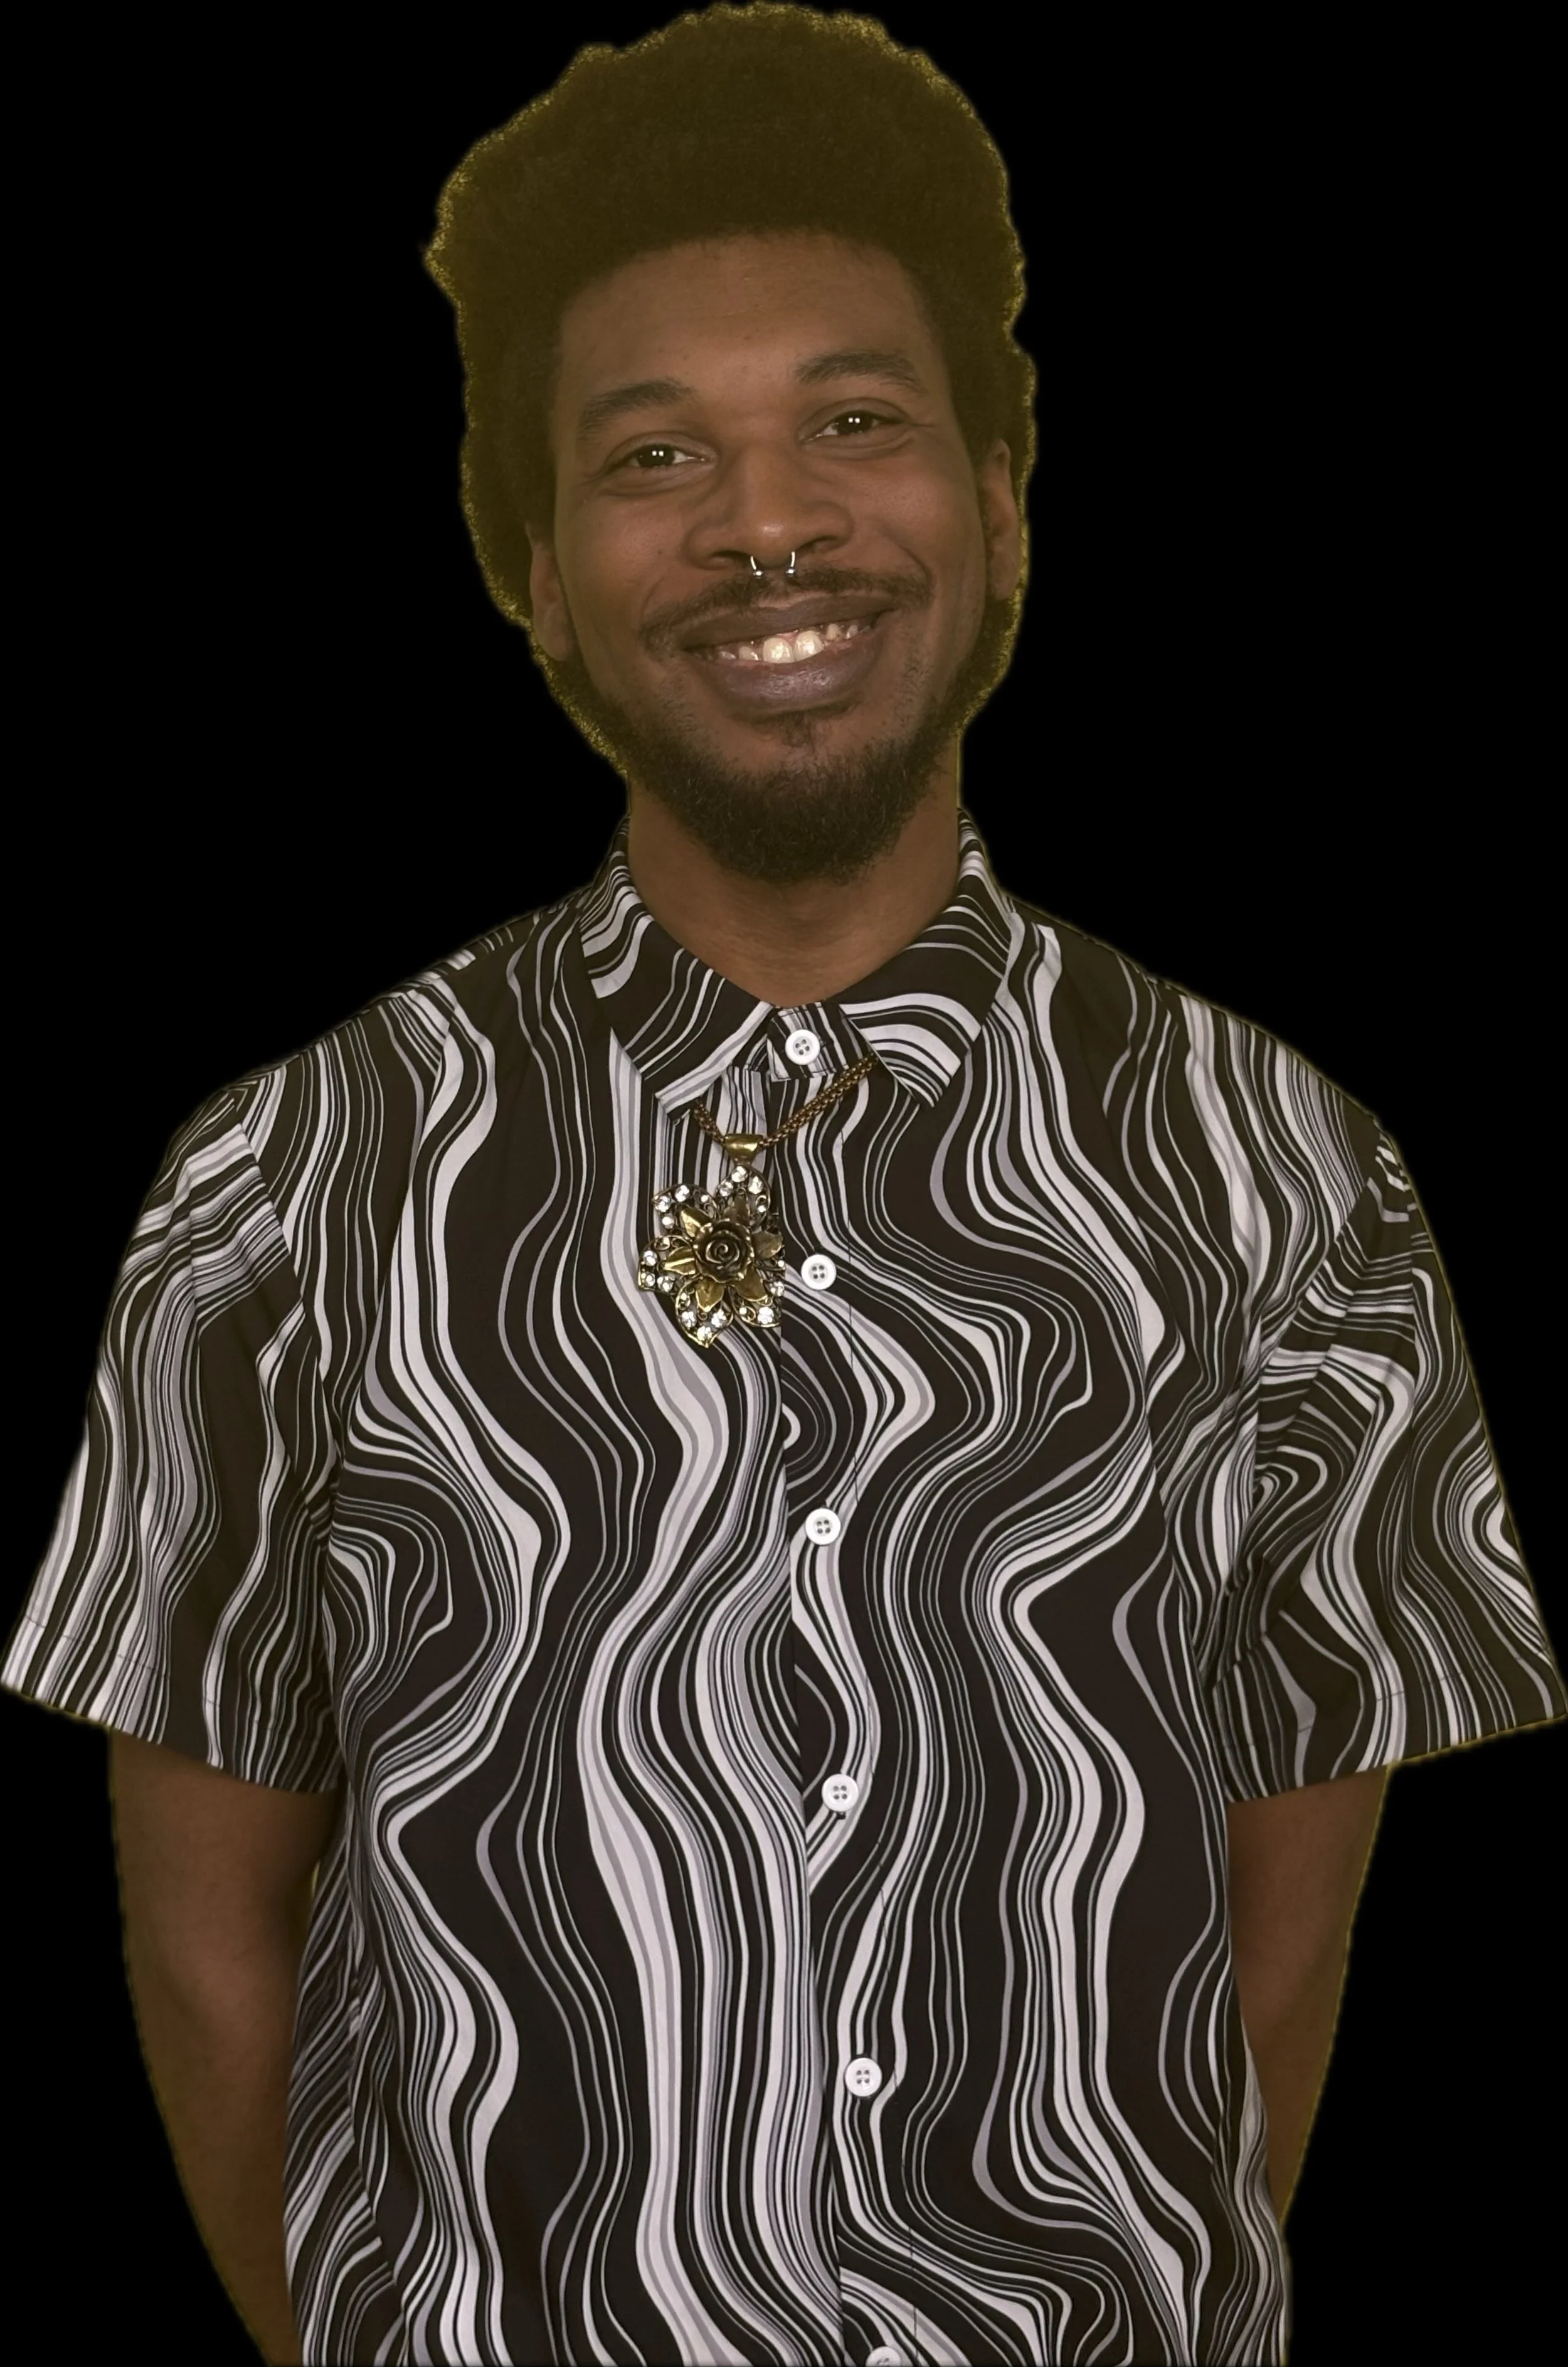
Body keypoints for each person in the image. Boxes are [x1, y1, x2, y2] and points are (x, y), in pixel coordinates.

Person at [4, 9, 1563, 2365]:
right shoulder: (286, 1181)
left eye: (853, 421)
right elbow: (214, 1939)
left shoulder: (1286, 1172)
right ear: (527, 566)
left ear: (1005, 500)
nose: (767, 524)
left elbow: (1283, 1943)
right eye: (657, 454)